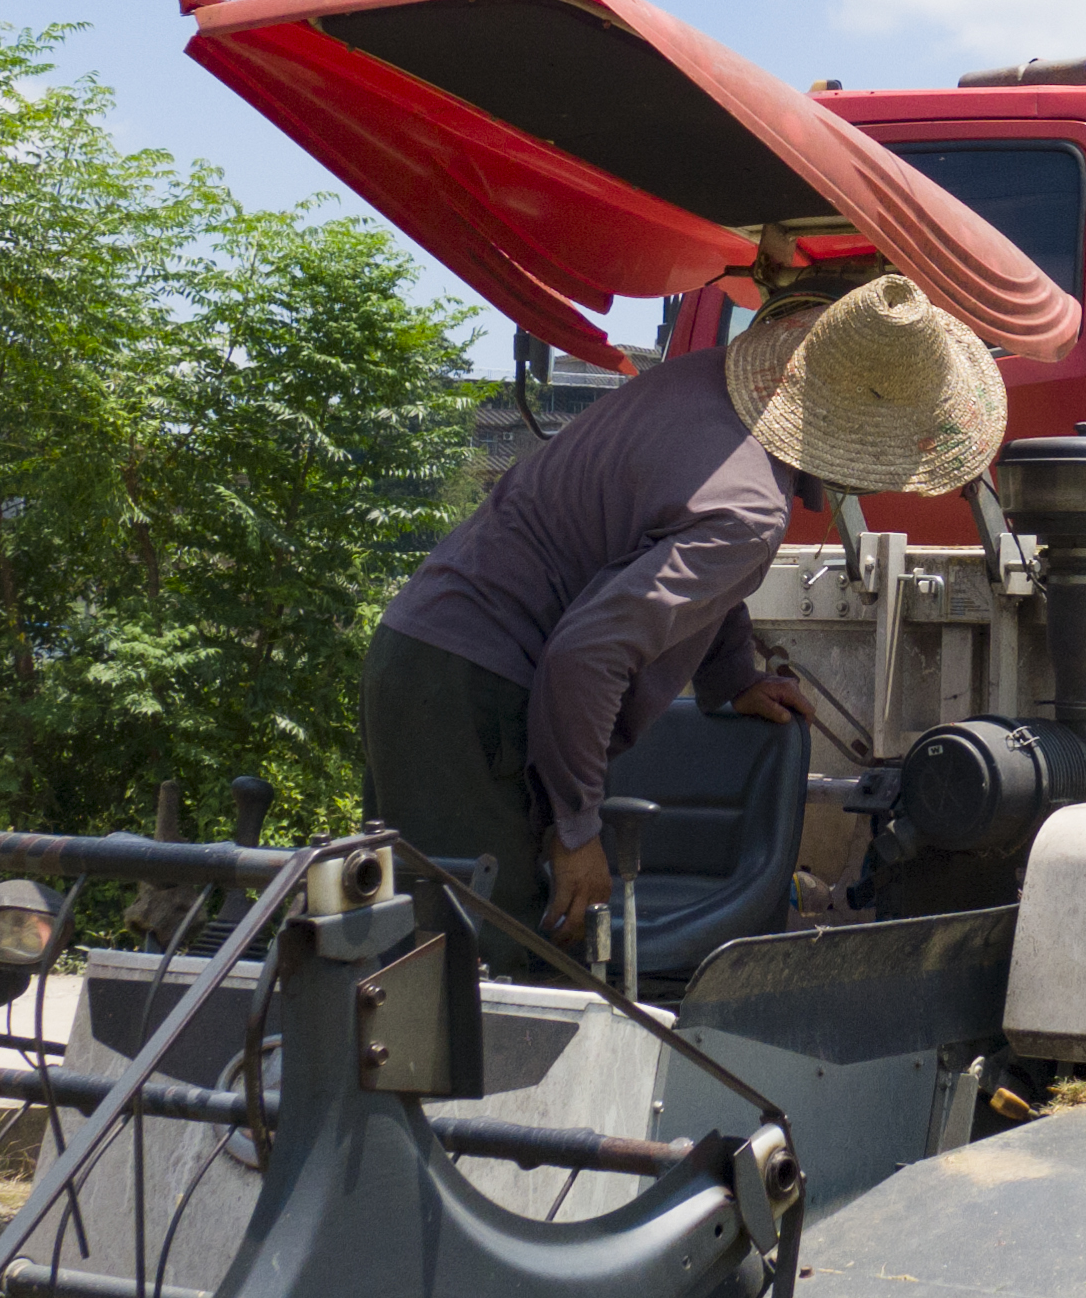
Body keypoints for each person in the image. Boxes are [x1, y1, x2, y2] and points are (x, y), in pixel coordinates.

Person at [360, 273, 1006, 965]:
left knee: (405, 946)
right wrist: (576, 832)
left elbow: (670, 541)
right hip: (469, 695)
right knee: (486, 971)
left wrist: (732, 677)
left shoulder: (705, 387)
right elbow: (582, 658)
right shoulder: (751, 511)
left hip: (420, 655)